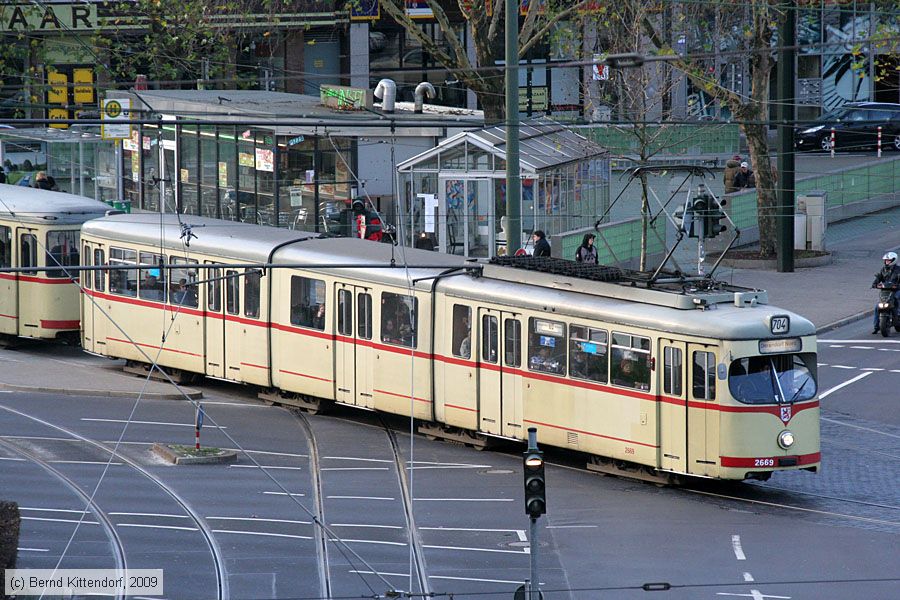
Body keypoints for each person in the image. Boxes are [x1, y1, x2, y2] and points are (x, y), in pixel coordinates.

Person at [871, 251, 900, 334]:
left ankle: (898, 314)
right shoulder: (883, 269)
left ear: (893, 260)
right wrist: (874, 284)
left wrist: (897, 286)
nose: (886, 262)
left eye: (888, 260)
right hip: (886, 291)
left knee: (896, 299)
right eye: (886, 260)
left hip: (896, 290)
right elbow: (878, 277)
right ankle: (876, 326)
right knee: (877, 307)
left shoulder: (898, 270)